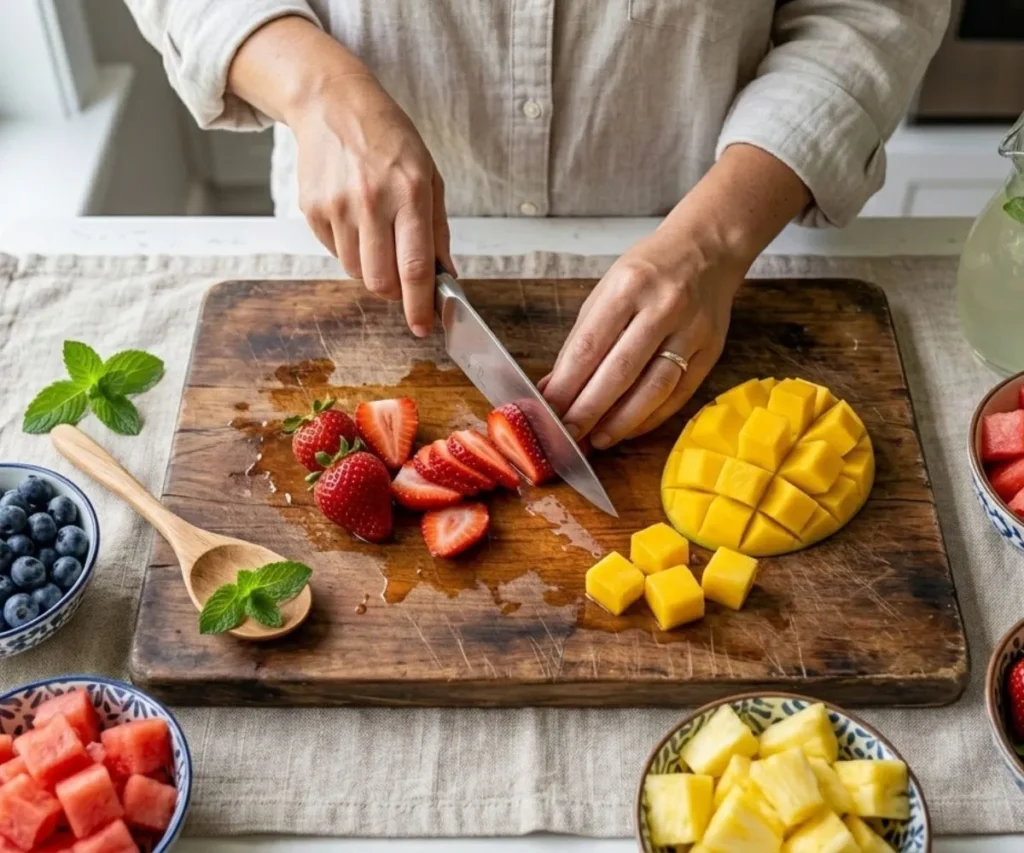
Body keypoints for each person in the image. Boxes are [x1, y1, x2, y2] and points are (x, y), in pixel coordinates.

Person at [125, 1, 948, 449]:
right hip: (347, 228)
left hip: (717, 223)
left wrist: (720, 234)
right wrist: (308, 85)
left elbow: (875, 10)